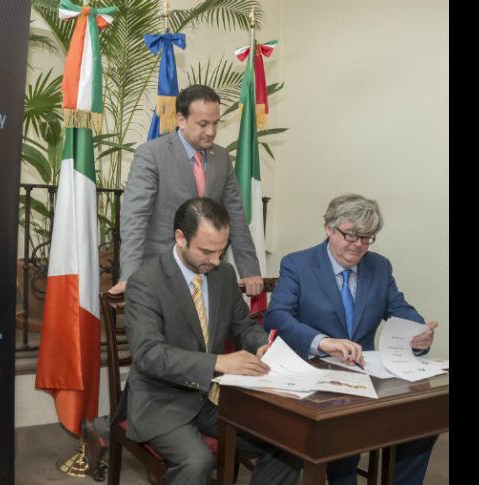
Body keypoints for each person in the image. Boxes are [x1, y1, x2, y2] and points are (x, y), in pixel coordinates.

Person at [107, 198, 301, 485]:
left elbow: (243, 326)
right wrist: (218, 362)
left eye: (221, 251)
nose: (216, 260)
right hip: (161, 400)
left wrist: (261, 344)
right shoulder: (146, 282)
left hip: (213, 397)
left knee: (289, 443)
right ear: (180, 238)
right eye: (207, 251)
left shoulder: (224, 274)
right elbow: (148, 354)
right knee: (197, 461)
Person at [264, 193, 439, 485]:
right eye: (351, 235)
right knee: (345, 437)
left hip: (366, 374)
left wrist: (418, 333)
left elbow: (399, 308)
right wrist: (322, 341)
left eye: (367, 237)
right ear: (328, 228)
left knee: (423, 422)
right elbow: (277, 317)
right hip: (314, 373)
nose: (358, 244)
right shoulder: (298, 264)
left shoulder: (379, 266)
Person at [109, 84, 264, 297]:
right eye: (203, 124)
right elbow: (135, 218)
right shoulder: (152, 154)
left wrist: (250, 270)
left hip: (206, 274)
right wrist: (130, 276)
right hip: (160, 273)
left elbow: (235, 216)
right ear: (181, 120)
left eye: (215, 123)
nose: (211, 131)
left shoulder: (222, 158)